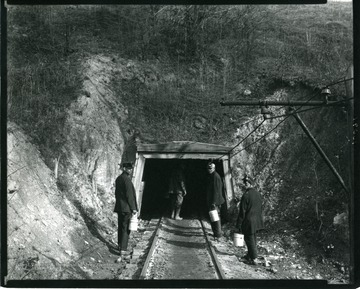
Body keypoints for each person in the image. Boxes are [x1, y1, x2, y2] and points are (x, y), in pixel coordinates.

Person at [236, 174, 264, 265]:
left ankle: (254, 258)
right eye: (245, 182)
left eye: (247, 182)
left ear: (250, 183)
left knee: (249, 239)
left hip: (249, 221)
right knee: (253, 238)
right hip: (257, 221)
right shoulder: (258, 194)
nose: (245, 184)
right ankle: (249, 255)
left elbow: (242, 212)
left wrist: (238, 224)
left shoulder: (246, 195)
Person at [114, 162, 138, 260]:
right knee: (125, 229)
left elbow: (117, 194)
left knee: (121, 227)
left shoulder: (118, 178)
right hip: (127, 208)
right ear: (124, 168)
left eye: (131, 168)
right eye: (128, 168)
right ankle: (123, 250)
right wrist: (133, 208)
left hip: (120, 207)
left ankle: (120, 245)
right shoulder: (127, 180)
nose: (130, 170)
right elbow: (129, 196)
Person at [206, 162, 225, 240]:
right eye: (208, 168)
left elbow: (216, 190)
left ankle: (218, 234)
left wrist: (214, 202)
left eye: (210, 168)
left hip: (215, 202)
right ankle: (216, 233)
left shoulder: (215, 177)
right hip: (213, 201)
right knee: (213, 217)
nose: (209, 170)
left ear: (214, 168)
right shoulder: (212, 176)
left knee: (216, 217)